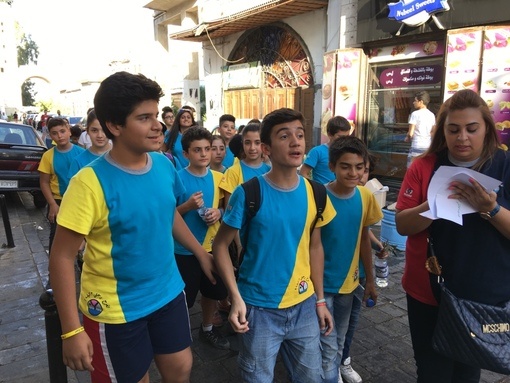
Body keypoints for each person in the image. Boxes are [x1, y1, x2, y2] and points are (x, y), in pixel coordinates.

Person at [49, 71, 217, 383]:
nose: (158, 125)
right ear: (115, 125)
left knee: (181, 368)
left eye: (156, 114)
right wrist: (71, 330)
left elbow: (168, 214)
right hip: (116, 309)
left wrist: (200, 254)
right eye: (144, 117)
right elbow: (60, 257)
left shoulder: (164, 165)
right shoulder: (88, 183)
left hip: (167, 292)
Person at [212, 108, 336, 383]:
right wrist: (235, 298)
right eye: (285, 136)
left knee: (311, 378)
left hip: (304, 305)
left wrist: (320, 300)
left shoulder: (316, 192)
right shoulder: (249, 193)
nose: (295, 142)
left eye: (300, 135)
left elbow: (315, 248)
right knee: (257, 378)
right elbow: (220, 246)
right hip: (258, 309)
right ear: (266, 148)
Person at [395, 89, 510, 382]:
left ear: (487, 128)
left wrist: (491, 208)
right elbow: (402, 225)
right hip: (430, 292)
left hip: (483, 295)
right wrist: (435, 204)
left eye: (472, 129)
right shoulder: (424, 166)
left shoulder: (504, 165)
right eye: (454, 129)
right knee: (433, 372)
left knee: (467, 372)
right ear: (442, 130)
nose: (462, 138)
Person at [319, 136, 382, 383]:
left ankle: (334, 373)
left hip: (348, 285)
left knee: (340, 337)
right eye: (345, 166)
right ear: (332, 166)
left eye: (359, 167)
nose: (353, 172)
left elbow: (364, 239)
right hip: (320, 286)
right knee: (325, 343)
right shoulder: (318, 196)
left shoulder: (365, 197)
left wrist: (371, 281)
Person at [175, 126, 230, 350]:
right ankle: (179, 335)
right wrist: (187, 206)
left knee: (213, 291)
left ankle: (207, 328)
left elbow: (229, 209)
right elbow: (168, 215)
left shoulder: (219, 178)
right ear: (186, 154)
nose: (204, 154)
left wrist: (219, 212)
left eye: (207, 149)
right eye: (197, 150)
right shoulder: (177, 178)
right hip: (183, 250)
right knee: (184, 298)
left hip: (212, 246)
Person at [38, 117, 85, 285]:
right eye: (55, 133)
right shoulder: (48, 156)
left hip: (80, 202)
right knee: (57, 239)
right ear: (50, 136)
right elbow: (43, 182)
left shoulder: (81, 153)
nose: (60, 136)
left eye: (62, 131)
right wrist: (52, 204)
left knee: (83, 237)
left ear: (69, 131)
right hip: (59, 202)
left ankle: (84, 270)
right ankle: (55, 276)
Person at [219, 123, 271, 206]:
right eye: (247, 143)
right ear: (242, 144)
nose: (252, 148)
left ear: (264, 144)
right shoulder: (232, 172)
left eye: (257, 143)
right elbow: (229, 210)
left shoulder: (270, 171)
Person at [300, 115, 353, 184]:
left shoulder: (348, 153)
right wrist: (315, 188)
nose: (344, 140)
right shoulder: (317, 152)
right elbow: (303, 173)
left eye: (347, 137)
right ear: (330, 134)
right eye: (340, 137)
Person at [67, 109, 111, 179]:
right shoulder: (78, 162)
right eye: (94, 130)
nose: (100, 135)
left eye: (104, 130)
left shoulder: (123, 157)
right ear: (87, 131)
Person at [405, 90, 436, 168]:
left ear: (421, 102)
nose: (413, 102)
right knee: (424, 168)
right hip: (427, 147)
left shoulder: (415, 114)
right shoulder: (431, 115)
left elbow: (411, 133)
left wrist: (407, 138)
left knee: (412, 169)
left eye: (415, 101)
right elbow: (432, 132)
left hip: (417, 146)